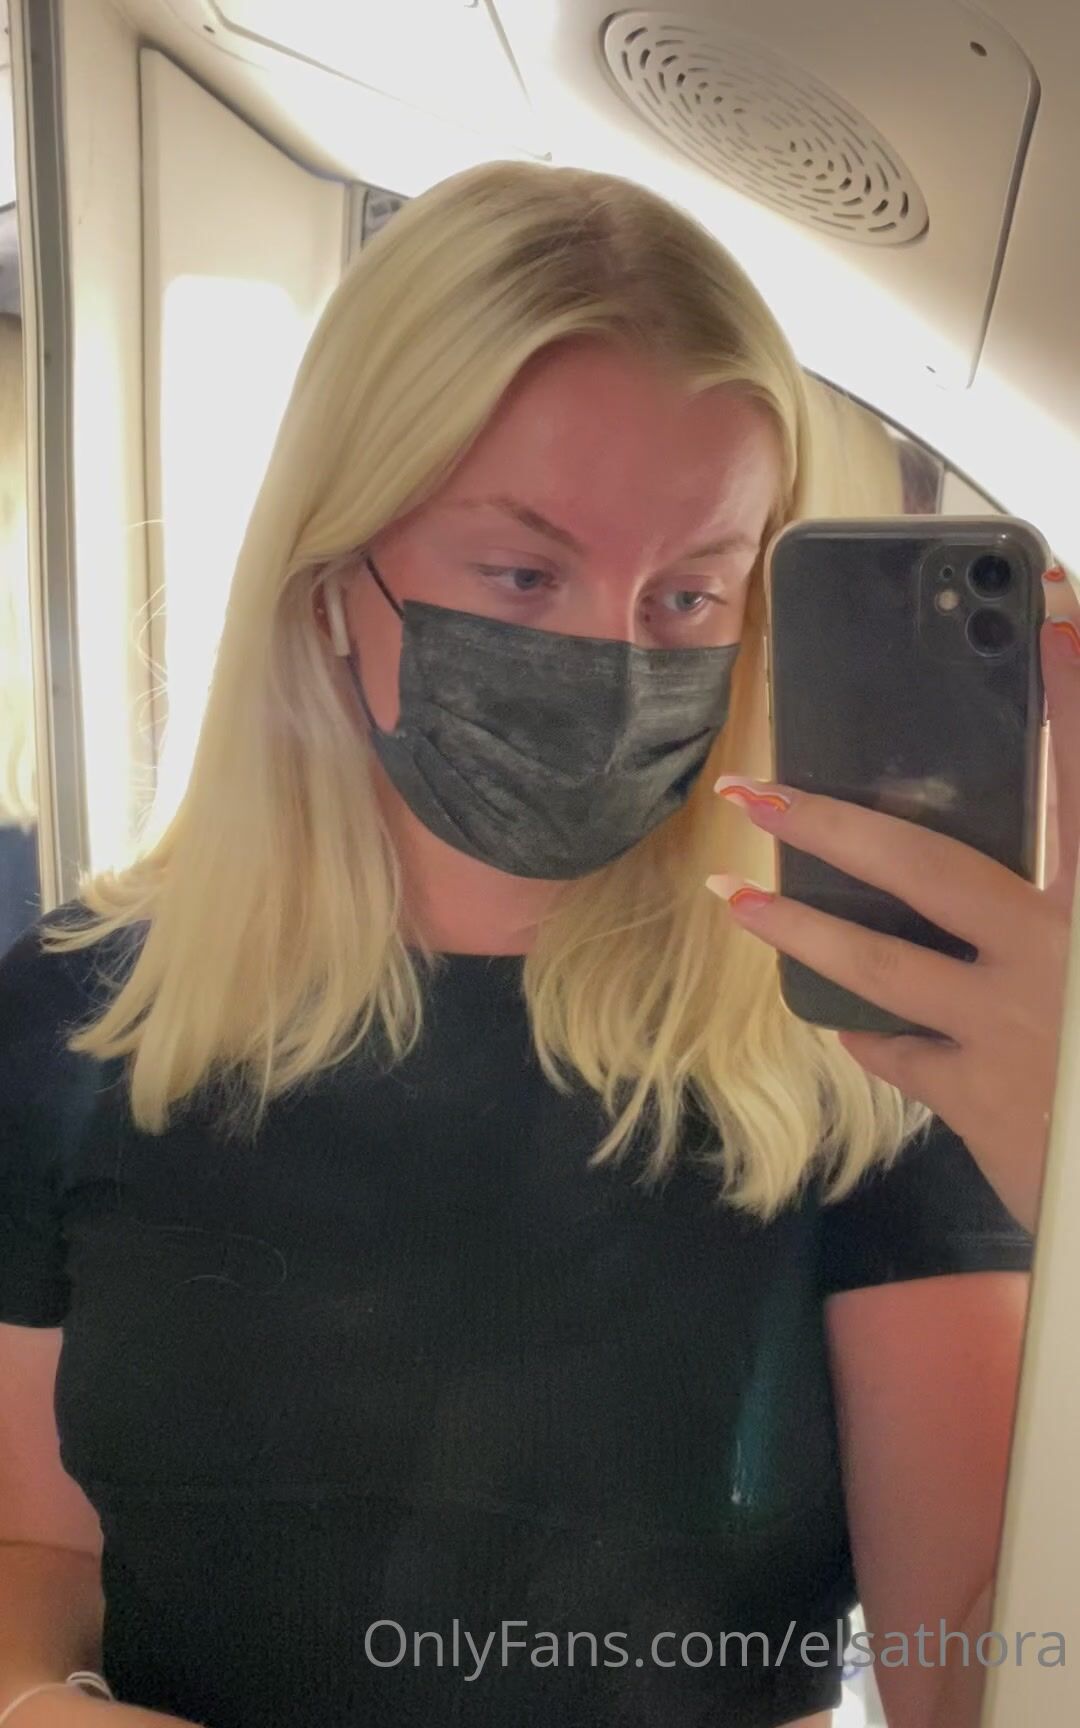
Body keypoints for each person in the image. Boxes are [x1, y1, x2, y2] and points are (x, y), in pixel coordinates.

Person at [1, 161, 1077, 1728]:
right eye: (522, 572)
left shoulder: (868, 1053)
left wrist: (1075, 1167)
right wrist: (33, 1703)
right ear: (329, 573)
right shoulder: (81, 1013)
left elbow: (982, 1686)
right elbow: (33, 1545)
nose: (608, 656)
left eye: (689, 594)